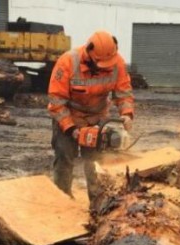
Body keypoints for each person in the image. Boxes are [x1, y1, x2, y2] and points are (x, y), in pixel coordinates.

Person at [47, 30, 135, 195]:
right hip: (69, 116)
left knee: (96, 162)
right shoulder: (68, 62)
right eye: (102, 63)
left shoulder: (117, 63)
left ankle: (98, 202)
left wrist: (127, 113)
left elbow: (124, 93)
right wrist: (71, 128)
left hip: (97, 118)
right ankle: (61, 198)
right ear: (90, 53)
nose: (106, 67)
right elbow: (56, 101)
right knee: (64, 159)